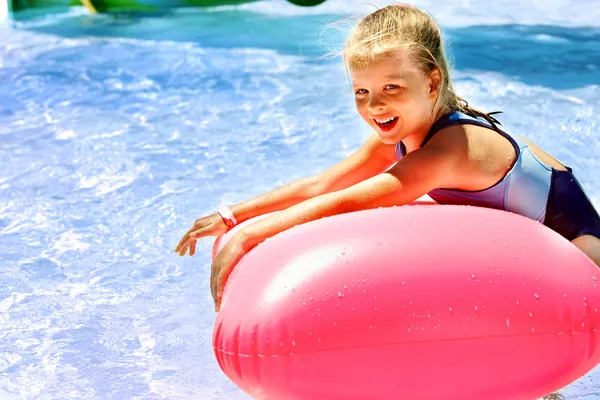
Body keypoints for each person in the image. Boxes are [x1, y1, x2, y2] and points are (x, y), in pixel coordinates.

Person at [174, 3, 600, 312]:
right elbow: (323, 185)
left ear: (432, 81)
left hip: (582, 257)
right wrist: (232, 216)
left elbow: (352, 201)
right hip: (531, 261)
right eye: (362, 91)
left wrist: (252, 236)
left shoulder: (450, 150)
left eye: (391, 88)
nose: (374, 106)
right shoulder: (402, 132)